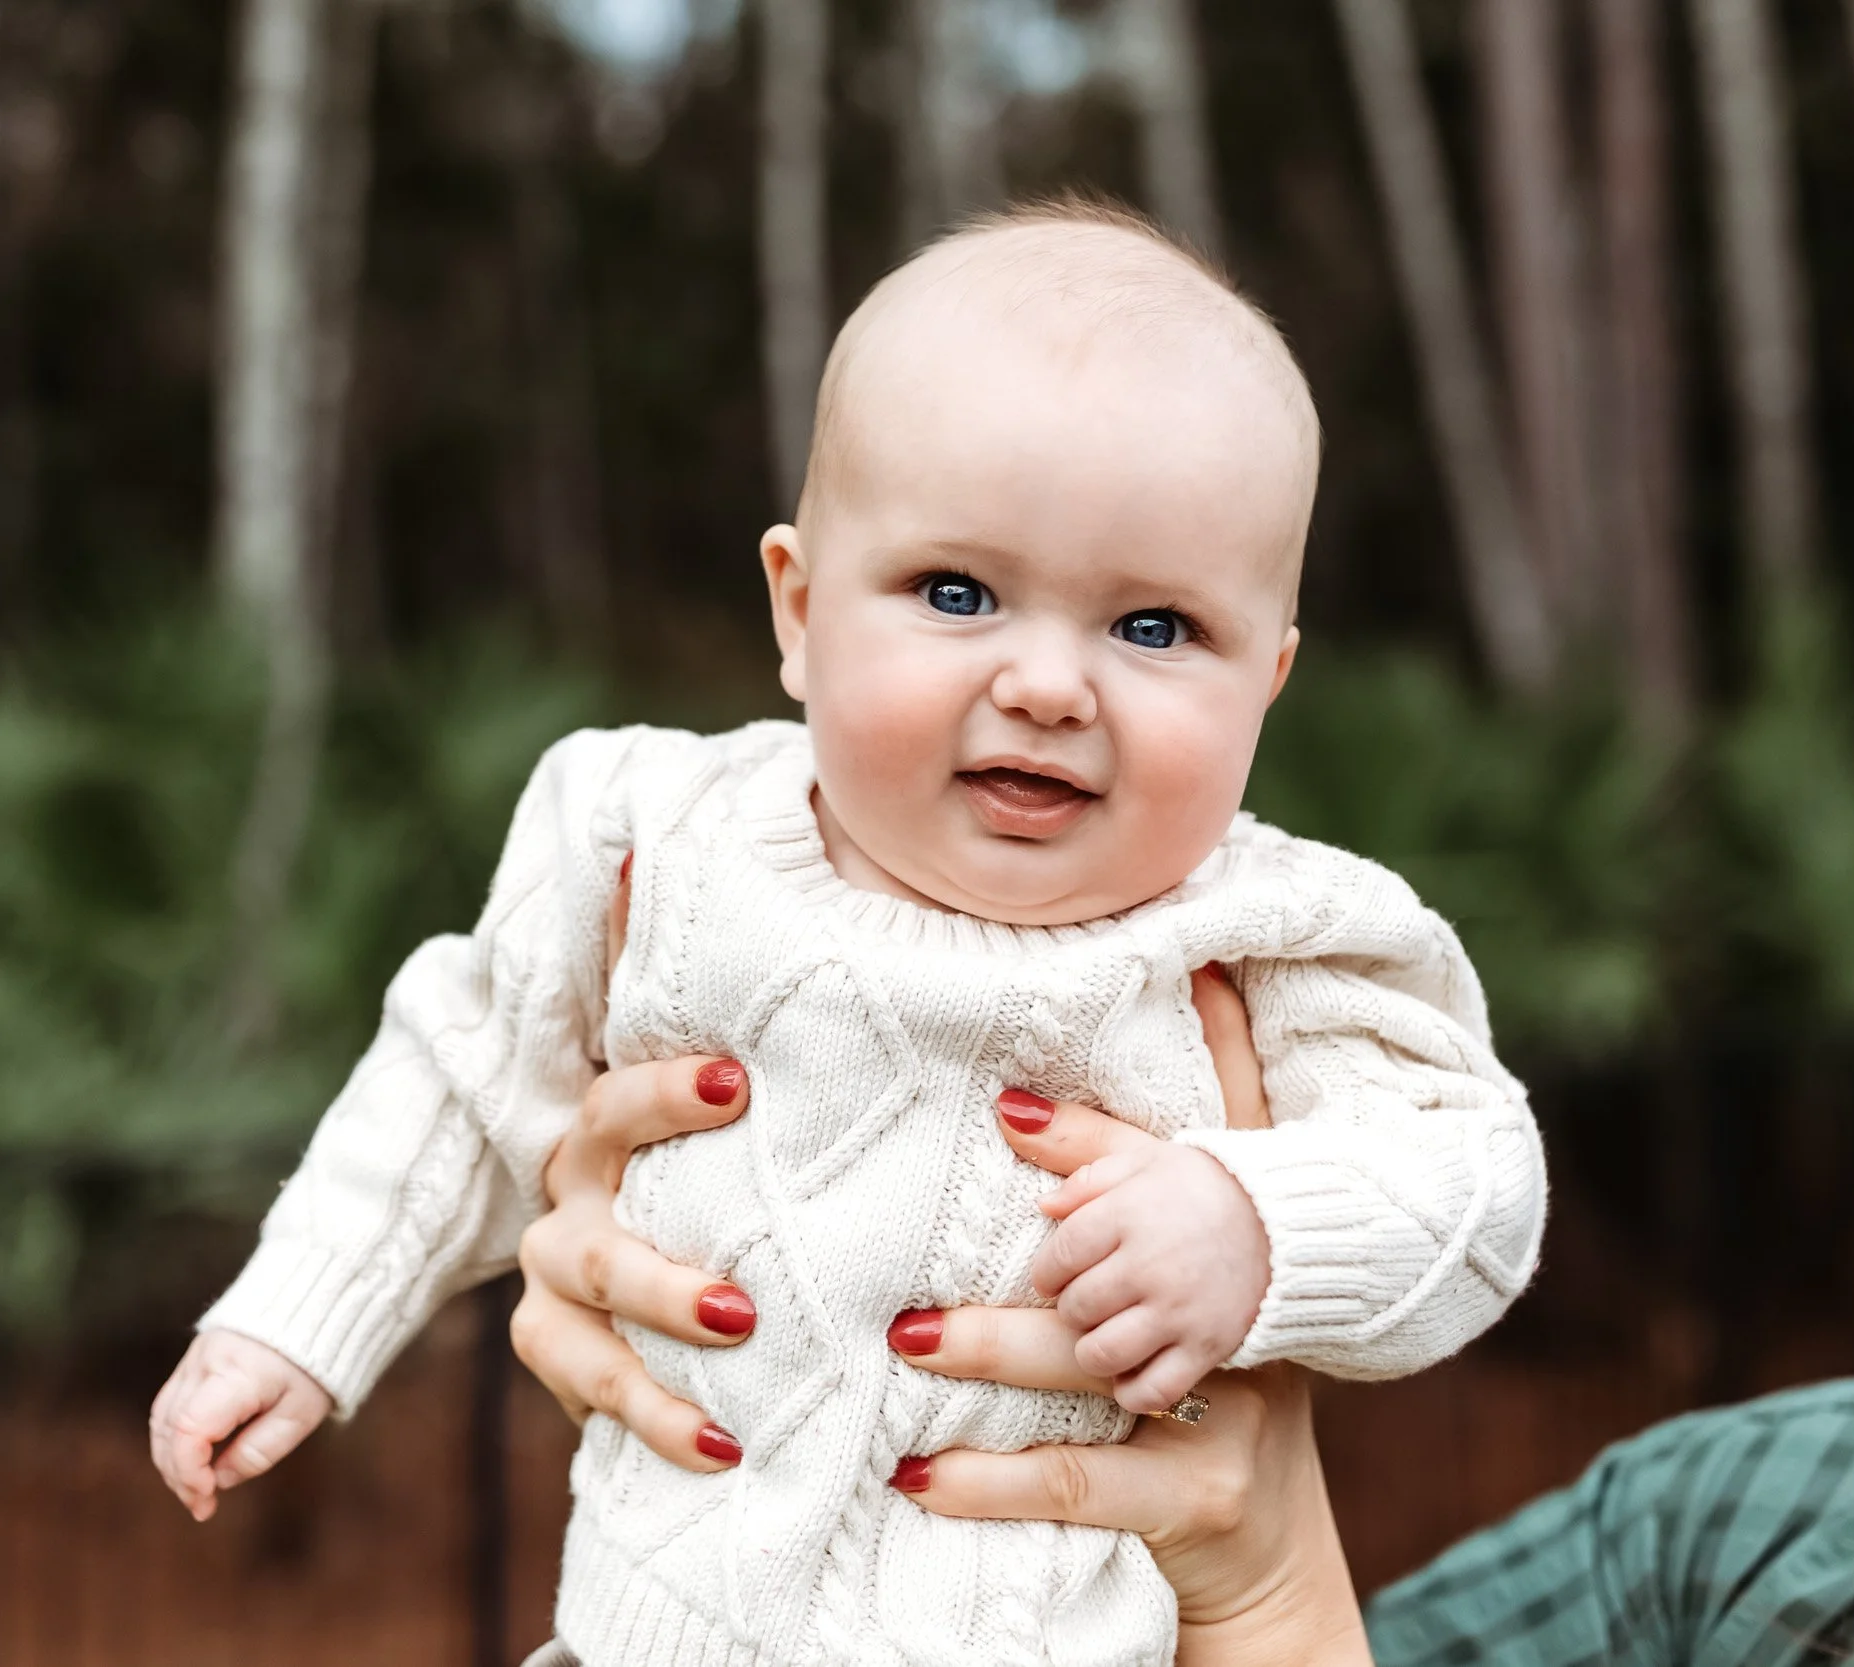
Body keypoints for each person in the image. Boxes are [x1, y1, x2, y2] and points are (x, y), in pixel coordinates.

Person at [150, 195, 1547, 1666]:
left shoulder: (1271, 933)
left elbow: (1475, 1182)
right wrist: (297, 1316)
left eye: (1153, 628)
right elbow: (464, 1064)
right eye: (959, 593)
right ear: (800, 609)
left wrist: (1256, 1225)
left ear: (1268, 678)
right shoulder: (653, 834)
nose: (1051, 685)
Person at [512, 987, 1854, 1667]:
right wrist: (766, 1374)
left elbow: (1478, 1188)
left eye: (1156, 626)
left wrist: (1275, 1609)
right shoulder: (1795, 1513)